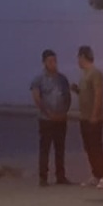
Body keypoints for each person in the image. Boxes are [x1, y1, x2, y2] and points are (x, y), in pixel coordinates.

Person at [30, 49, 72, 186]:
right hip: (46, 120)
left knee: (60, 148)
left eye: (54, 60)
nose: (53, 63)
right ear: (44, 62)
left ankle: (61, 176)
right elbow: (37, 98)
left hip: (61, 119)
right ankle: (43, 177)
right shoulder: (38, 79)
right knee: (45, 148)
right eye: (50, 61)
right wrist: (49, 113)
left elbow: (67, 97)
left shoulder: (62, 79)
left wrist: (64, 112)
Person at [72, 45, 103, 189]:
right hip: (84, 117)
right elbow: (86, 93)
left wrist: (95, 114)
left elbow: (99, 94)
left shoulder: (95, 73)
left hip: (94, 118)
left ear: (83, 57)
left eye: (78, 57)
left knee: (96, 146)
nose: (77, 61)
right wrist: (77, 90)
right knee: (88, 147)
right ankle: (95, 175)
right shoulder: (84, 75)